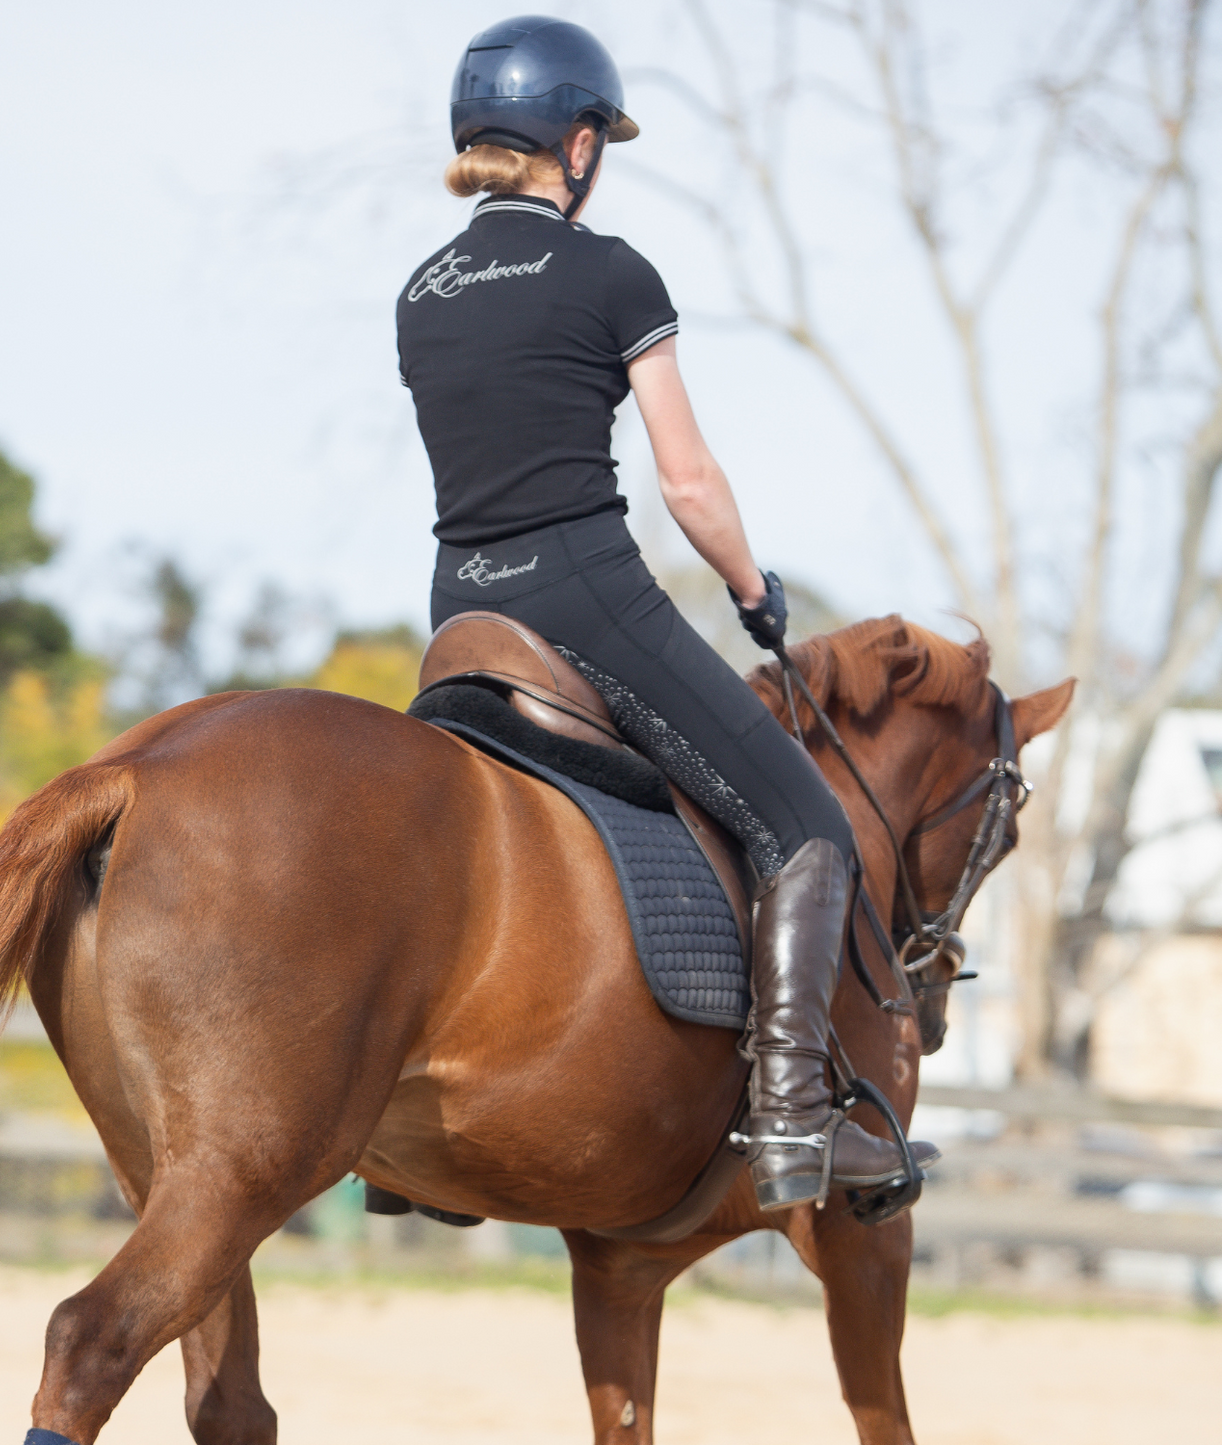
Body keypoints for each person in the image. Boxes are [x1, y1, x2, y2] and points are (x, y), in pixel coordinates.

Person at [397, 15, 935, 1213]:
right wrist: (753, 591)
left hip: (454, 612)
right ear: (577, 144)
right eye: (600, 143)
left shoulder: (419, 291)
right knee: (804, 823)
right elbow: (686, 480)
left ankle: (408, 1153)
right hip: (579, 591)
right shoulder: (610, 271)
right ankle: (793, 1114)